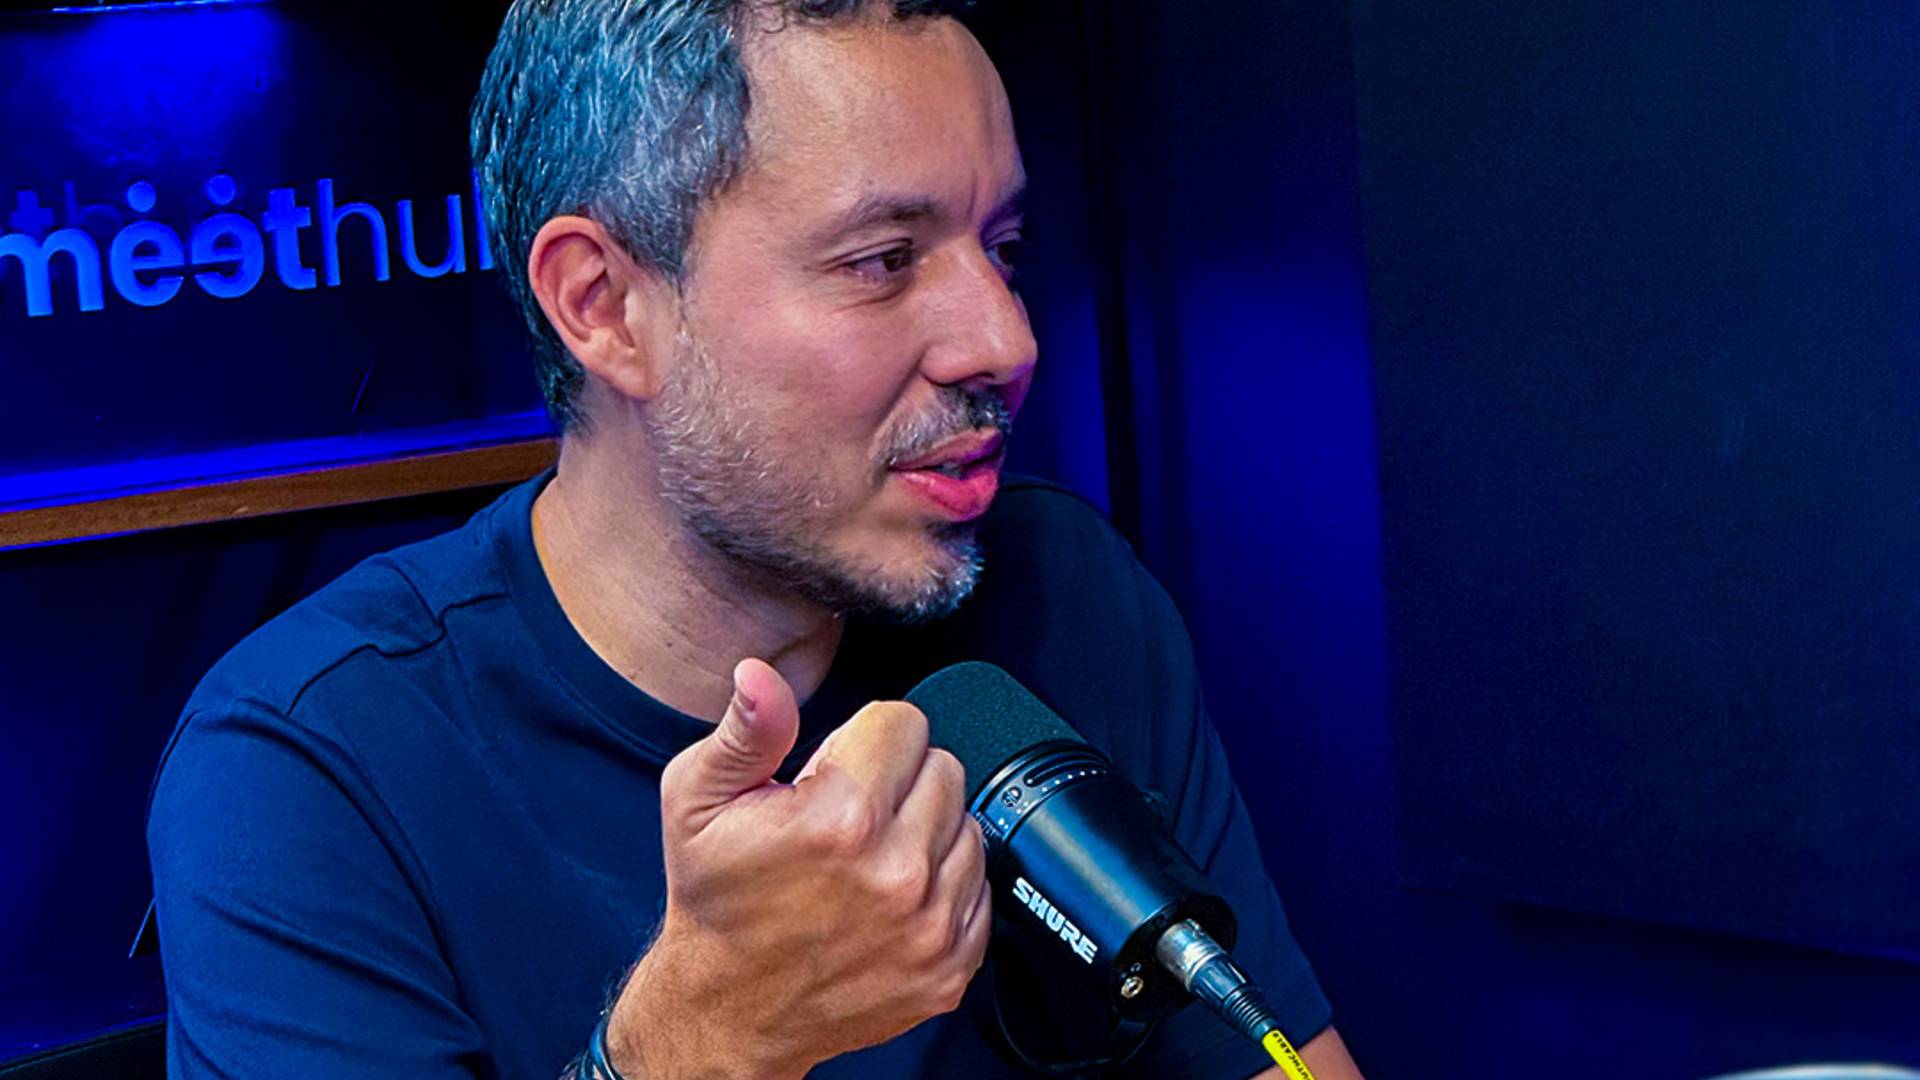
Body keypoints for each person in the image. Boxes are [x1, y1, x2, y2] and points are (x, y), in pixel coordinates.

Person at [145, 2, 1366, 1077]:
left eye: (1003, 249)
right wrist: (703, 1043)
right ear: (604, 307)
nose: (1005, 340)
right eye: (883, 262)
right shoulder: (308, 770)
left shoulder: (1061, 592)